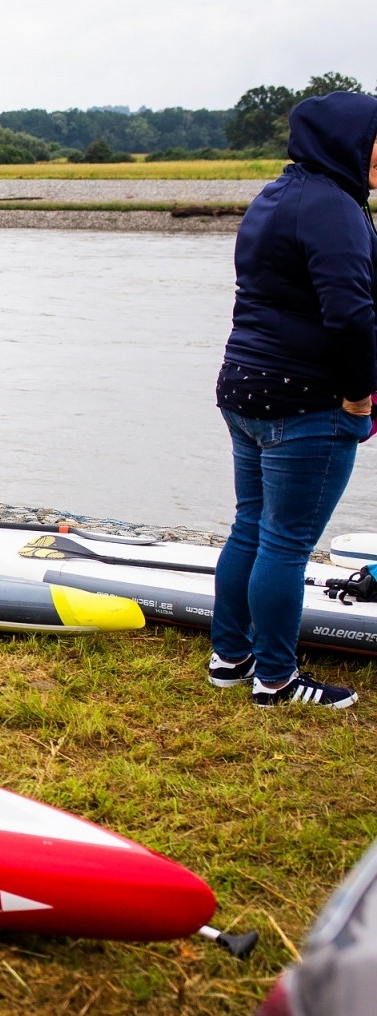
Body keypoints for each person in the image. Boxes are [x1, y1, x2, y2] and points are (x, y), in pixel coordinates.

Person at [208, 91, 377, 707]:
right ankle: (275, 679)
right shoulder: (333, 207)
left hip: (243, 384)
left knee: (251, 524)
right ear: (349, 140)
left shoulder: (274, 196)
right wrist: (360, 398)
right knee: (286, 540)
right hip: (307, 396)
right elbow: (352, 315)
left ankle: (229, 656)